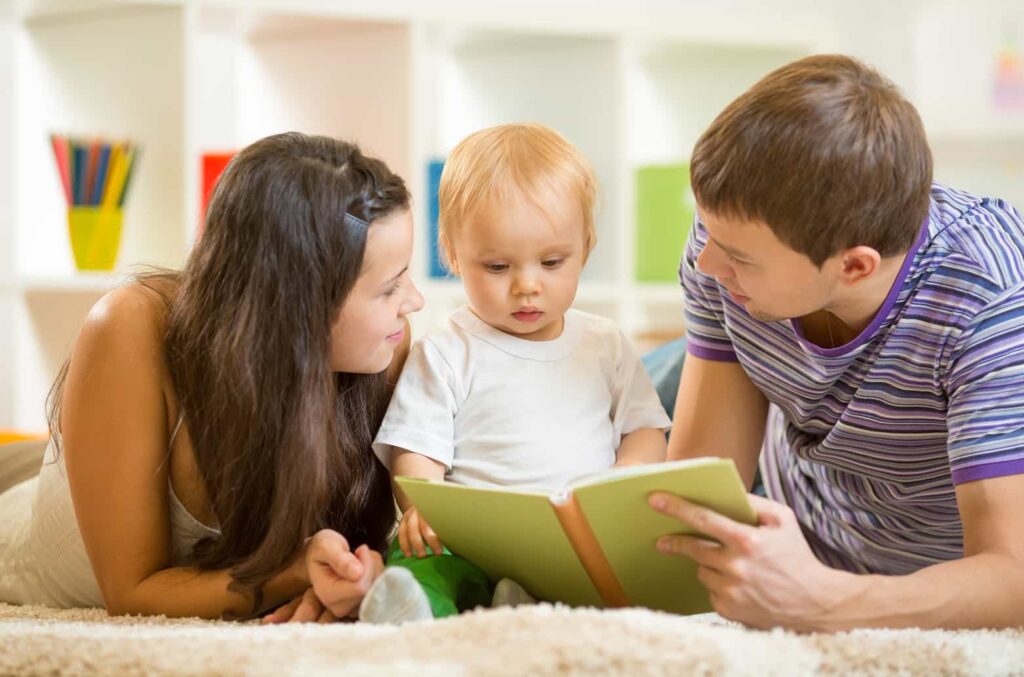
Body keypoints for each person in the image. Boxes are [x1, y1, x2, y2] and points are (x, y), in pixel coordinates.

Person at [650, 54, 1024, 631]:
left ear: (854, 266)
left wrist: (824, 601)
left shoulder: (991, 299)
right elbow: (700, 487)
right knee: (594, 391)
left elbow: (1011, 575)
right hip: (793, 488)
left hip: (921, 562)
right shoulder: (729, 235)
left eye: (739, 257)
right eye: (709, 233)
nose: (705, 261)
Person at [0, 132, 425, 622]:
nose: (414, 301)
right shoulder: (132, 328)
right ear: (301, 305)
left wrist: (355, 574)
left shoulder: (383, 353)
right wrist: (291, 574)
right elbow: (131, 594)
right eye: (390, 287)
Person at [362, 123, 672, 623]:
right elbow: (416, 448)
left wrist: (621, 483)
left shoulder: (605, 344)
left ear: (586, 247)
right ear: (454, 256)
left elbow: (645, 430)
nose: (527, 286)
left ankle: (524, 600)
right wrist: (424, 504)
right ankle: (418, 605)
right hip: (468, 534)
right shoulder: (446, 352)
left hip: (573, 535)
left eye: (552, 262)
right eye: (498, 267)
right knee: (424, 560)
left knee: (623, 573)